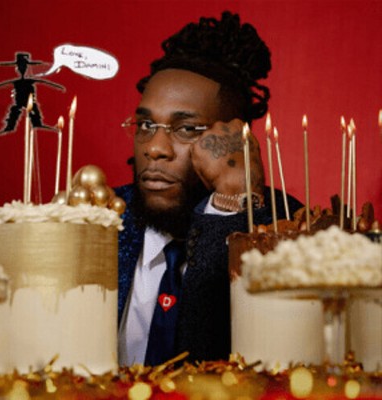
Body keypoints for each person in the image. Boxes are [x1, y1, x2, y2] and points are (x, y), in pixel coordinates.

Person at [115, 11, 302, 366]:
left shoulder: (287, 228)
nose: (155, 148)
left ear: (236, 139)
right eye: (145, 125)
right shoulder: (98, 220)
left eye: (186, 129)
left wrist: (231, 204)